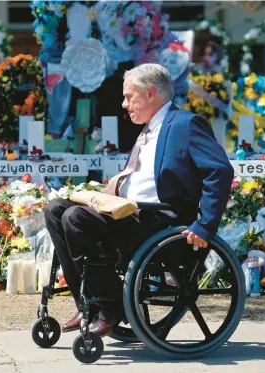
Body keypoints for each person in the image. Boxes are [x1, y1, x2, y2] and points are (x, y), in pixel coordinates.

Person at [44, 63, 234, 337]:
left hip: (159, 223)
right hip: (130, 215)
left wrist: (205, 225)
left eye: (129, 96)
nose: (124, 104)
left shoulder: (185, 124)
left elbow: (220, 170)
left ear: (150, 94)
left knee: (76, 218)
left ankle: (110, 305)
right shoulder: (148, 130)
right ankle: (88, 303)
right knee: (55, 209)